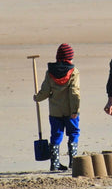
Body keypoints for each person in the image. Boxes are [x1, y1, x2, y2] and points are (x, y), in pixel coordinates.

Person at [34, 43, 81, 171]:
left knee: (56, 135)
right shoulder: (73, 72)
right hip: (70, 110)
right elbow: (74, 92)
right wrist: (75, 109)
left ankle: (54, 163)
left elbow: (45, 91)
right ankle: (73, 161)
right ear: (69, 58)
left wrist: (37, 98)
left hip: (55, 111)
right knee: (74, 133)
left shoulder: (50, 72)